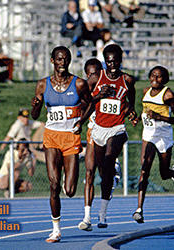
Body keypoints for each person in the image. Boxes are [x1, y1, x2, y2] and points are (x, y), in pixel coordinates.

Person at [31, 45, 93, 243]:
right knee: (53, 184)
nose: (62, 63)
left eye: (65, 59)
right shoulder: (42, 85)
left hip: (70, 138)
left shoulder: (80, 84)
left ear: (69, 61)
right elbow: (35, 114)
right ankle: (56, 229)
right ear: (52, 61)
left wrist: (80, 122)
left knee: (70, 190)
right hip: (51, 137)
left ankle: (70, 174)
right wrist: (36, 106)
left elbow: (90, 104)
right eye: (58, 59)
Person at [76, 44, 137, 227]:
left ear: (120, 60)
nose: (112, 65)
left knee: (109, 158)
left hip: (117, 128)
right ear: (105, 61)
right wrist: (97, 98)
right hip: (98, 129)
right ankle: (111, 177)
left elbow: (131, 97)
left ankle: (102, 214)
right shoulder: (96, 78)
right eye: (109, 62)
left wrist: (131, 110)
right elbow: (85, 100)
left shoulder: (127, 79)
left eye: (115, 61)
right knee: (103, 172)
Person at [78, 58, 124, 231]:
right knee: (89, 173)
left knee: (105, 173)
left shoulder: (111, 86)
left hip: (110, 131)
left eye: (96, 74)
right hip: (93, 131)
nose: (93, 77)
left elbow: (123, 105)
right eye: (90, 74)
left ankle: (103, 212)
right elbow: (84, 105)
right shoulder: (85, 89)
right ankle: (87, 217)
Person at [131, 66, 174, 224]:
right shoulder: (145, 91)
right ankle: (139, 210)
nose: (155, 79)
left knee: (164, 173)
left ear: (165, 79)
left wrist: (159, 117)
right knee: (144, 169)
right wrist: (137, 119)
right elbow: (144, 111)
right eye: (153, 76)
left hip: (164, 136)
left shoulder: (167, 94)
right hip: (149, 135)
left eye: (159, 77)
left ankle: (172, 173)